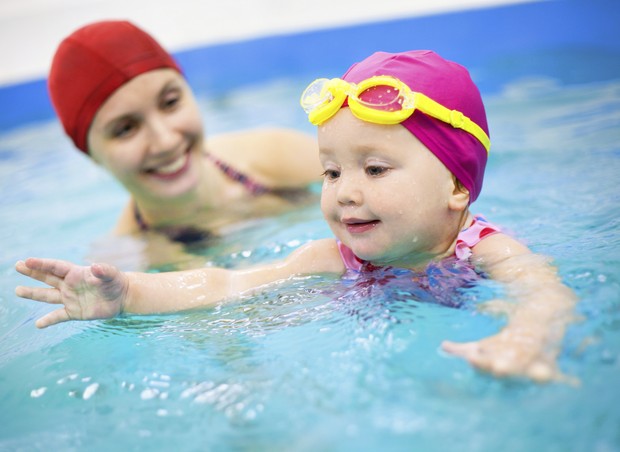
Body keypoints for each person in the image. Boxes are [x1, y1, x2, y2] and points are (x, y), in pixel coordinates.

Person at [16, 50, 577, 382]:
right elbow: (228, 282)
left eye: (375, 170)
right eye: (330, 173)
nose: (343, 194)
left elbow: (544, 294)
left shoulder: (484, 249)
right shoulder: (330, 258)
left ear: (457, 185)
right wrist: (131, 296)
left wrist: (526, 339)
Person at [47, 20, 322, 248]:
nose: (165, 141)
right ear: (91, 154)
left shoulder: (278, 154)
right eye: (126, 129)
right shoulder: (126, 265)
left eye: (170, 103)